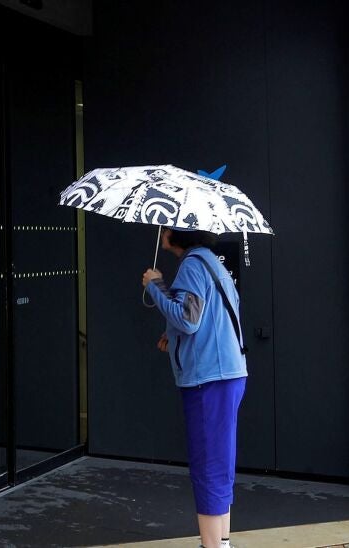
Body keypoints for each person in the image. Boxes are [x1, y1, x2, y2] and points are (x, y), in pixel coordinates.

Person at [142, 227, 248, 548]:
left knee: (208, 466)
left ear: (179, 234)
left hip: (208, 379)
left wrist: (155, 285)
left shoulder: (191, 265)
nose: (162, 231)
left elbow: (189, 319)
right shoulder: (210, 262)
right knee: (220, 461)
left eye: (167, 227)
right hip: (228, 374)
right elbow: (208, 316)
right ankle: (222, 542)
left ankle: (211, 546)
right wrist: (171, 334)